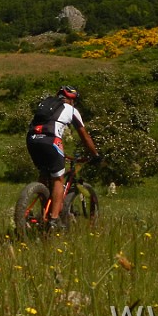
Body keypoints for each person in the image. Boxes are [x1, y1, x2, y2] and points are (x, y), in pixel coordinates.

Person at [26, 85, 100, 229]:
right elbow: (84, 136)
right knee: (58, 179)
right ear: (73, 100)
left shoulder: (46, 106)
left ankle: (42, 213)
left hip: (32, 139)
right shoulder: (72, 110)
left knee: (44, 174)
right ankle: (53, 220)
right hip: (51, 140)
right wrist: (95, 155)